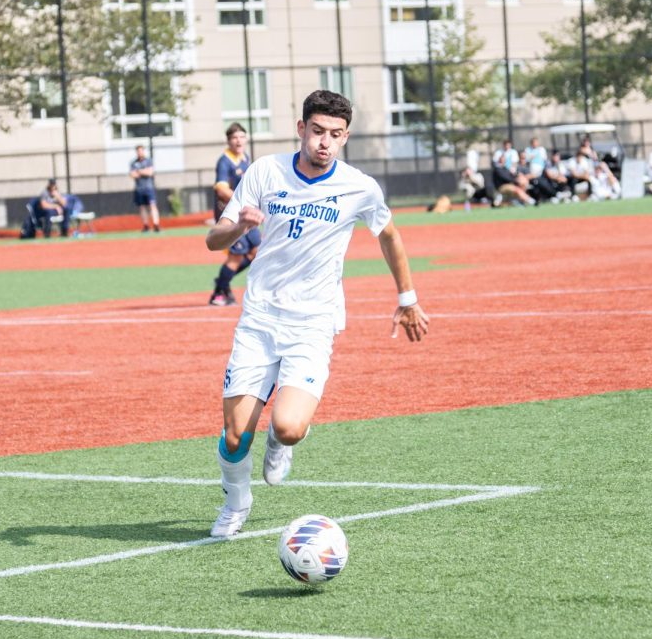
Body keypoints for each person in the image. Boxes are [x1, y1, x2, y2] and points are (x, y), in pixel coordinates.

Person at [204, 89, 429, 538]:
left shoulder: (359, 186)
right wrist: (241, 225)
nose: (325, 142)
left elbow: (389, 236)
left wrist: (407, 298)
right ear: (301, 128)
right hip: (260, 319)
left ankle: (281, 442)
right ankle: (236, 503)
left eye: (336, 135)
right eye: (319, 131)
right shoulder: (264, 171)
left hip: (313, 323)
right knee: (233, 436)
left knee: (287, 427)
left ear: (346, 137)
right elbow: (214, 240)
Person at [209, 123, 259, 306]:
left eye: (241, 137)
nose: (238, 141)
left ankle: (223, 281)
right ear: (228, 141)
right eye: (234, 138)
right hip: (230, 217)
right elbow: (221, 189)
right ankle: (218, 293)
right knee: (236, 256)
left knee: (256, 252)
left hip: (246, 216)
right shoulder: (225, 161)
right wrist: (243, 201)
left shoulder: (245, 158)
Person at [129, 144, 160, 233]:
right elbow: (132, 174)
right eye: (138, 151)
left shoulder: (148, 161)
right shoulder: (133, 163)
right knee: (142, 207)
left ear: (143, 151)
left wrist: (139, 171)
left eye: (141, 150)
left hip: (149, 188)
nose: (139, 152)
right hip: (139, 189)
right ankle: (146, 225)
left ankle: (156, 225)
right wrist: (143, 172)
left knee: (152, 206)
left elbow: (150, 172)